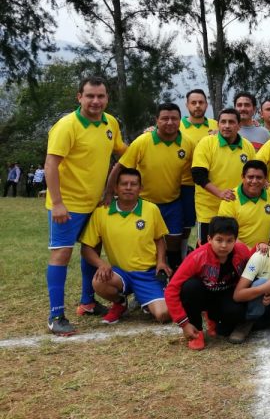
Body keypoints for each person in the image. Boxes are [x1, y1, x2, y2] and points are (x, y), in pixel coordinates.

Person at [44, 76, 127, 335]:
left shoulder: (110, 122)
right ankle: (55, 316)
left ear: (106, 98)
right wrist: (57, 203)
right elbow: (51, 164)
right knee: (62, 254)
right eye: (90, 96)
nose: (95, 101)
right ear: (79, 97)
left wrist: (148, 139)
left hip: (95, 203)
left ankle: (87, 302)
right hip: (68, 205)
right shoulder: (66, 126)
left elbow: (121, 150)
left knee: (91, 249)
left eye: (100, 96)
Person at [106, 102, 195, 269]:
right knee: (147, 243)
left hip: (173, 203)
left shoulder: (188, 144)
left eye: (174, 119)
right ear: (156, 120)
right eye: (165, 119)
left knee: (174, 243)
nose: (170, 122)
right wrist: (109, 193)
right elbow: (120, 167)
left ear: (179, 121)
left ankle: (174, 280)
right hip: (145, 203)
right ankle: (146, 277)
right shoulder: (142, 141)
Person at [79, 168, 171, 325]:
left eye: (133, 184)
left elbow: (159, 239)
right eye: (124, 184)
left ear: (140, 188)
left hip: (147, 274)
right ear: (115, 188)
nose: (128, 187)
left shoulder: (151, 209)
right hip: (120, 274)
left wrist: (161, 261)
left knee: (164, 315)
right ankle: (120, 303)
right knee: (99, 281)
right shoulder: (102, 211)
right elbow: (86, 248)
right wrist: (102, 264)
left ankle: (146, 300)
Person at [165, 216, 253, 350]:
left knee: (235, 316)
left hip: (225, 295)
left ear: (235, 240)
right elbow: (171, 289)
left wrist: (261, 245)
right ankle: (197, 331)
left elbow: (256, 262)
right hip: (202, 295)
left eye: (229, 241)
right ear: (209, 239)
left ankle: (213, 320)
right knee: (190, 287)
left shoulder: (241, 251)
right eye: (219, 240)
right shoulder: (196, 257)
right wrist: (184, 323)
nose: (224, 245)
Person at [191, 108, 257, 242]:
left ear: (239, 126)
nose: (227, 126)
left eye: (231, 122)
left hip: (236, 208)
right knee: (206, 248)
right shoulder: (206, 143)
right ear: (218, 125)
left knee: (232, 247)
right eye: (223, 122)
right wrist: (220, 193)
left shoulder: (247, 146)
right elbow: (198, 175)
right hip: (209, 209)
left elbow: (253, 173)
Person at [180, 89, 219, 260]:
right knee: (184, 227)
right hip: (184, 184)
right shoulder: (177, 125)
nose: (197, 106)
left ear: (206, 104)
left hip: (207, 186)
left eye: (201, 102)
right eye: (193, 102)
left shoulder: (216, 125)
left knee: (207, 226)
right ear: (187, 105)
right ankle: (182, 258)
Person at [218, 160, 270, 250]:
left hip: (263, 252)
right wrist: (251, 251)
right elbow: (226, 234)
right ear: (242, 177)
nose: (254, 181)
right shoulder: (230, 199)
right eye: (250, 177)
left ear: (265, 179)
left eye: (259, 177)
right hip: (236, 253)